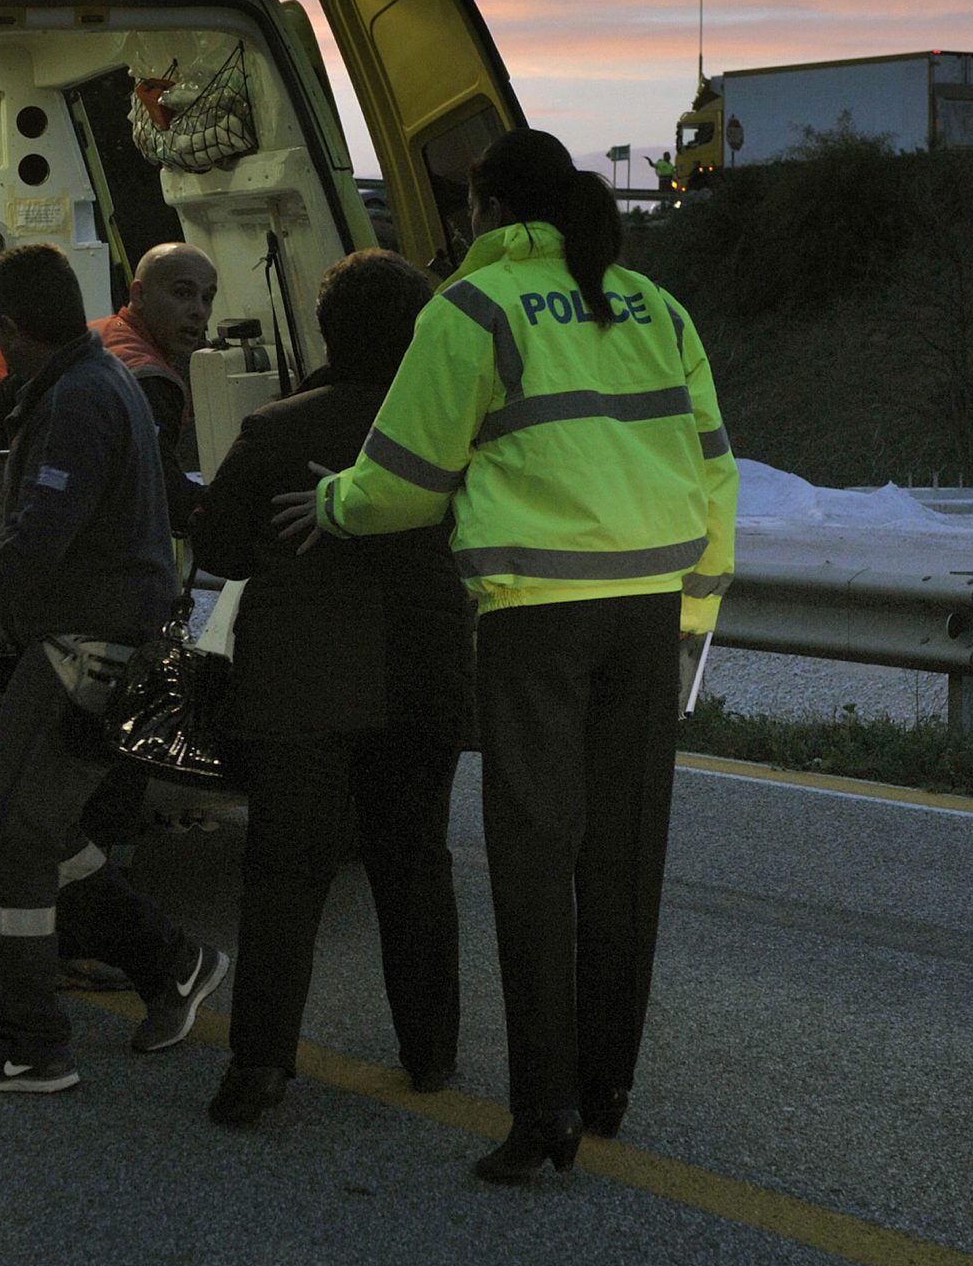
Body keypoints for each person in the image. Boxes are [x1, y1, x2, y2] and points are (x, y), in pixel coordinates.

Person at [280, 129, 738, 1182]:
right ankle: (608, 1085)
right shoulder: (654, 307)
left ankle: (545, 1114)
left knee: (535, 860)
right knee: (622, 854)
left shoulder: (471, 309)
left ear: (485, 210)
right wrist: (695, 599)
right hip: (647, 610)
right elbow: (715, 467)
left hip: (536, 614)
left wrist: (333, 505)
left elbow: (403, 476)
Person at [0, 242, 229, 1093]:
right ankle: (173, 964)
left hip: (84, 649)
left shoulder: (76, 399)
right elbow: (70, 527)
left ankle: (29, 1045)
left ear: (6, 325)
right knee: (48, 832)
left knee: (9, 850)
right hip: (100, 637)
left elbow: (36, 550)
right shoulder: (94, 377)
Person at [190, 249, 472, 1128]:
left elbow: (221, 552)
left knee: (284, 874)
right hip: (424, 681)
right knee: (415, 863)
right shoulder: (452, 435)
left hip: (304, 686)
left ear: (327, 330)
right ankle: (431, 1054)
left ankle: (260, 1068)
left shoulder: (280, 429)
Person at [0, 240, 218, 533]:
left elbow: (9, 391)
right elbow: (160, 491)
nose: (199, 311)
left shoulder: (93, 335)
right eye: (183, 293)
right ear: (138, 294)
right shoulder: (149, 378)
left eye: (207, 298)